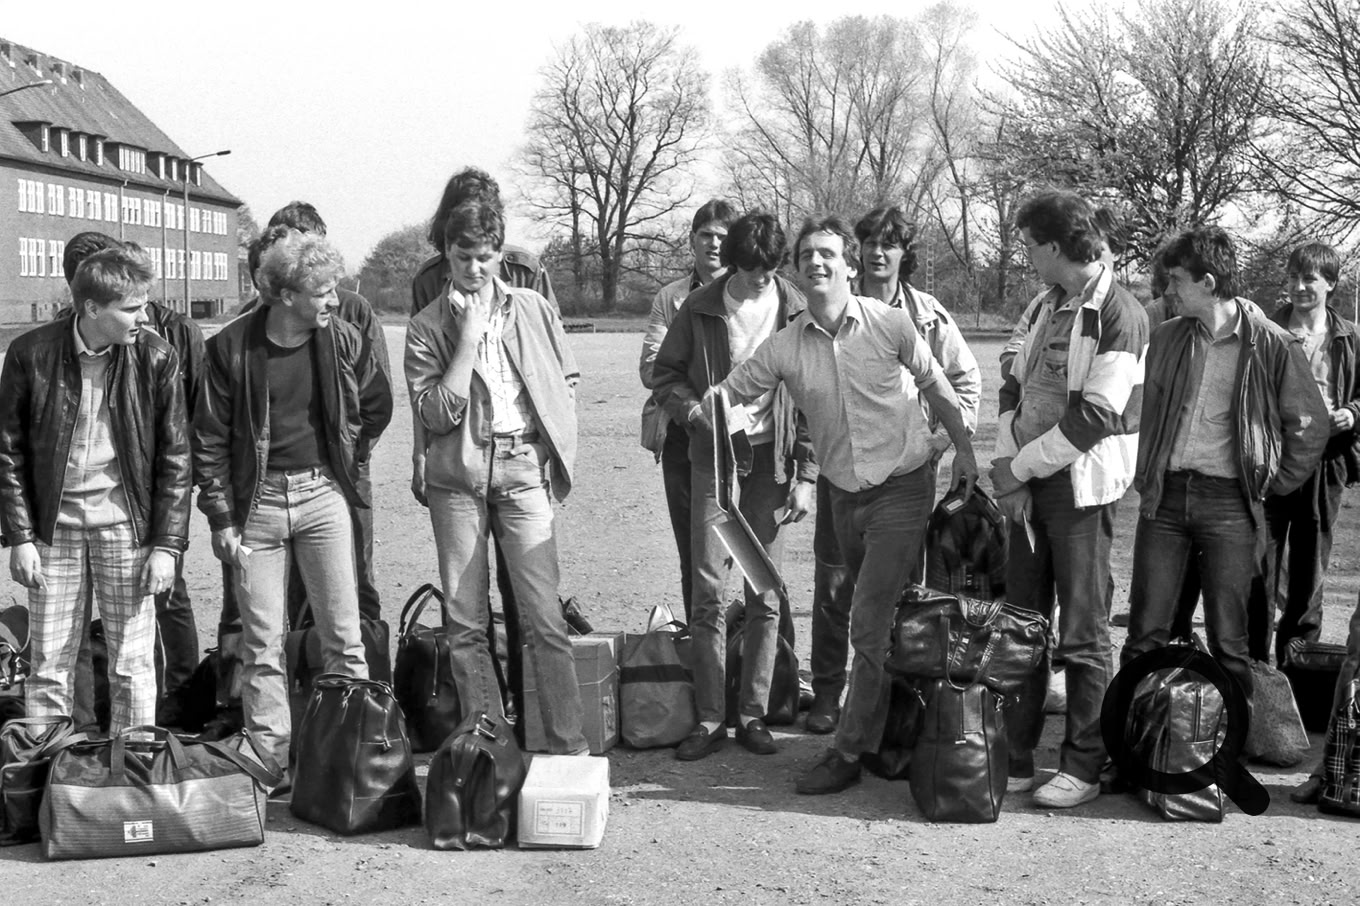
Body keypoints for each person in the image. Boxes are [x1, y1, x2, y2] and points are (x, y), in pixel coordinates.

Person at [711, 215, 978, 794]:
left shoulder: (890, 324)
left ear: (849, 266)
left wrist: (964, 452)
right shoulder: (785, 346)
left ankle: (849, 751)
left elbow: (940, 387)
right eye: (807, 254)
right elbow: (730, 392)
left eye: (828, 254)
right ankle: (897, 733)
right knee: (887, 622)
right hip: (841, 497)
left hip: (902, 489)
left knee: (868, 619)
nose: (817, 262)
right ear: (797, 268)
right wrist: (686, 408)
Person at [195, 228, 392, 773]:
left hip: (322, 496)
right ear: (285, 296)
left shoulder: (345, 339)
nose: (335, 300)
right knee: (261, 645)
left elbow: (375, 406)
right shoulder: (229, 349)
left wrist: (342, 463)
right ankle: (268, 758)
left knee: (345, 637)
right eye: (323, 291)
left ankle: (348, 757)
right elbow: (208, 439)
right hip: (254, 508)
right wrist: (220, 518)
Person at [1122, 226, 1328, 748]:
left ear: (1208, 282)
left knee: (1230, 641)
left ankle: (1224, 756)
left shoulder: (1273, 344)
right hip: (1165, 499)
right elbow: (1143, 414)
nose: (1168, 291)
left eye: (1176, 281)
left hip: (1231, 503)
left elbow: (1309, 424)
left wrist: (1269, 484)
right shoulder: (1167, 337)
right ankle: (1130, 746)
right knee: (1145, 634)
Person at [404, 200, 587, 754]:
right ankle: (491, 749)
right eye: (464, 257)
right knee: (465, 623)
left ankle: (566, 743)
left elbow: (566, 375)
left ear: (500, 254)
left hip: (523, 467)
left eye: (486, 257)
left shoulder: (532, 307)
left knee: (543, 616)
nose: (475, 268)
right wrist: (466, 340)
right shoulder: (424, 326)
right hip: (457, 480)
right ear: (448, 255)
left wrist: (556, 446)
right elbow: (435, 414)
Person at [990, 190, 1149, 809]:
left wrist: (1018, 469)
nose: (1025, 254)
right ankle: (1021, 756)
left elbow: (1099, 415)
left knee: (1083, 632)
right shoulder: (1043, 301)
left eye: (1029, 244)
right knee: (1023, 624)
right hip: (1026, 480)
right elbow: (1012, 378)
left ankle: (1084, 762)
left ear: (1055, 246)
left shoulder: (1121, 313)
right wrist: (1008, 461)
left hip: (1079, 489)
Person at [803, 205, 982, 735]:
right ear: (857, 254)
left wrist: (940, 445)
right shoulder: (829, 308)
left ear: (905, 253)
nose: (879, 253)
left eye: (891, 244)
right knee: (834, 586)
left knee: (896, 594)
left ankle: (896, 707)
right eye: (870, 243)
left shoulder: (927, 316)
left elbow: (965, 384)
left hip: (903, 477)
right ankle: (829, 693)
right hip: (842, 473)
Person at [0, 246, 191, 731]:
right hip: (52, 532)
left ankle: (133, 779)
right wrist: (20, 537)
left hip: (126, 530)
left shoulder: (156, 356)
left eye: (144, 304)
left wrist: (167, 545)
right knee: (49, 667)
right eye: (132, 307)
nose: (144, 316)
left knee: (132, 664)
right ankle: (48, 786)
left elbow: (175, 458)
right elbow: (7, 451)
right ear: (91, 309)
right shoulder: (30, 354)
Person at [651, 211, 815, 759]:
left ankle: (753, 714)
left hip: (770, 461)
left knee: (764, 588)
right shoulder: (700, 306)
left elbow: (814, 392)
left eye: (768, 273)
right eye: (749, 273)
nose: (758, 283)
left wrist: (806, 474)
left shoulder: (796, 307)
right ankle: (708, 717)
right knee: (708, 591)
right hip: (712, 458)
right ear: (733, 263)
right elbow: (665, 374)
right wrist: (690, 409)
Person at [1252, 242, 1360, 665]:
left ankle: (1298, 660)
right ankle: (1254, 665)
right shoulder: (1264, 329)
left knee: (1310, 564)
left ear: (1330, 283)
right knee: (1261, 560)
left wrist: (1352, 413)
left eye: (1309, 279)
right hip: (1274, 457)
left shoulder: (1350, 336)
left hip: (1327, 460)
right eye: (1293, 277)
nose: (1298, 287)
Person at [640, 199, 736, 622]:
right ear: (692, 241)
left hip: (746, 437)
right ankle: (701, 647)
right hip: (685, 434)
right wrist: (696, 402)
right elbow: (651, 368)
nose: (714, 244)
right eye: (706, 235)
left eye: (722, 236)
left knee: (748, 550)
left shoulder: (752, 292)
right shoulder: (671, 297)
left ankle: (755, 651)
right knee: (693, 550)